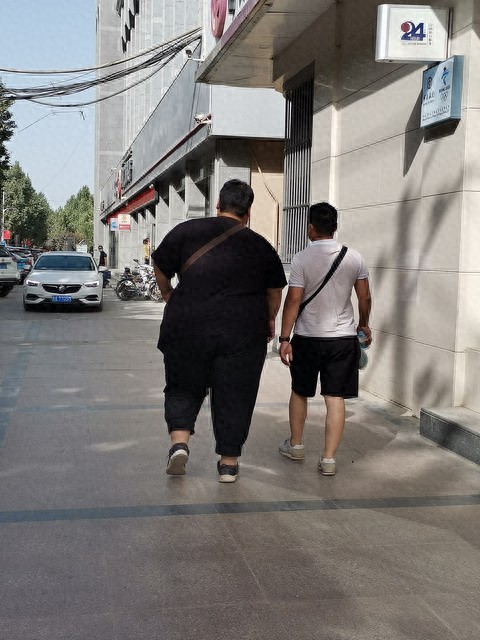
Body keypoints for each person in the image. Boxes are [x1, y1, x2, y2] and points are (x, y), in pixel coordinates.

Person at [152, 179, 287, 482]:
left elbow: (160, 264)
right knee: (236, 394)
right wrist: (269, 319)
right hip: (242, 331)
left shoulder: (187, 231)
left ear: (217, 205)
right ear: (248, 212)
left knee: (182, 387)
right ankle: (228, 463)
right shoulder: (261, 246)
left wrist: (168, 294)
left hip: (187, 327)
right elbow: (275, 291)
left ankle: (179, 443)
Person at [278, 201, 371, 476]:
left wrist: (285, 338)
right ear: (335, 227)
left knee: (300, 391)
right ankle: (329, 459)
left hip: (307, 337)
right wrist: (364, 324)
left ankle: (296, 445)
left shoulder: (301, 259)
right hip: (342, 339)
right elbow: (364, 297)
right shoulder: (354, 257)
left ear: (310, 228)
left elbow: (293, 300)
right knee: (335, 397)